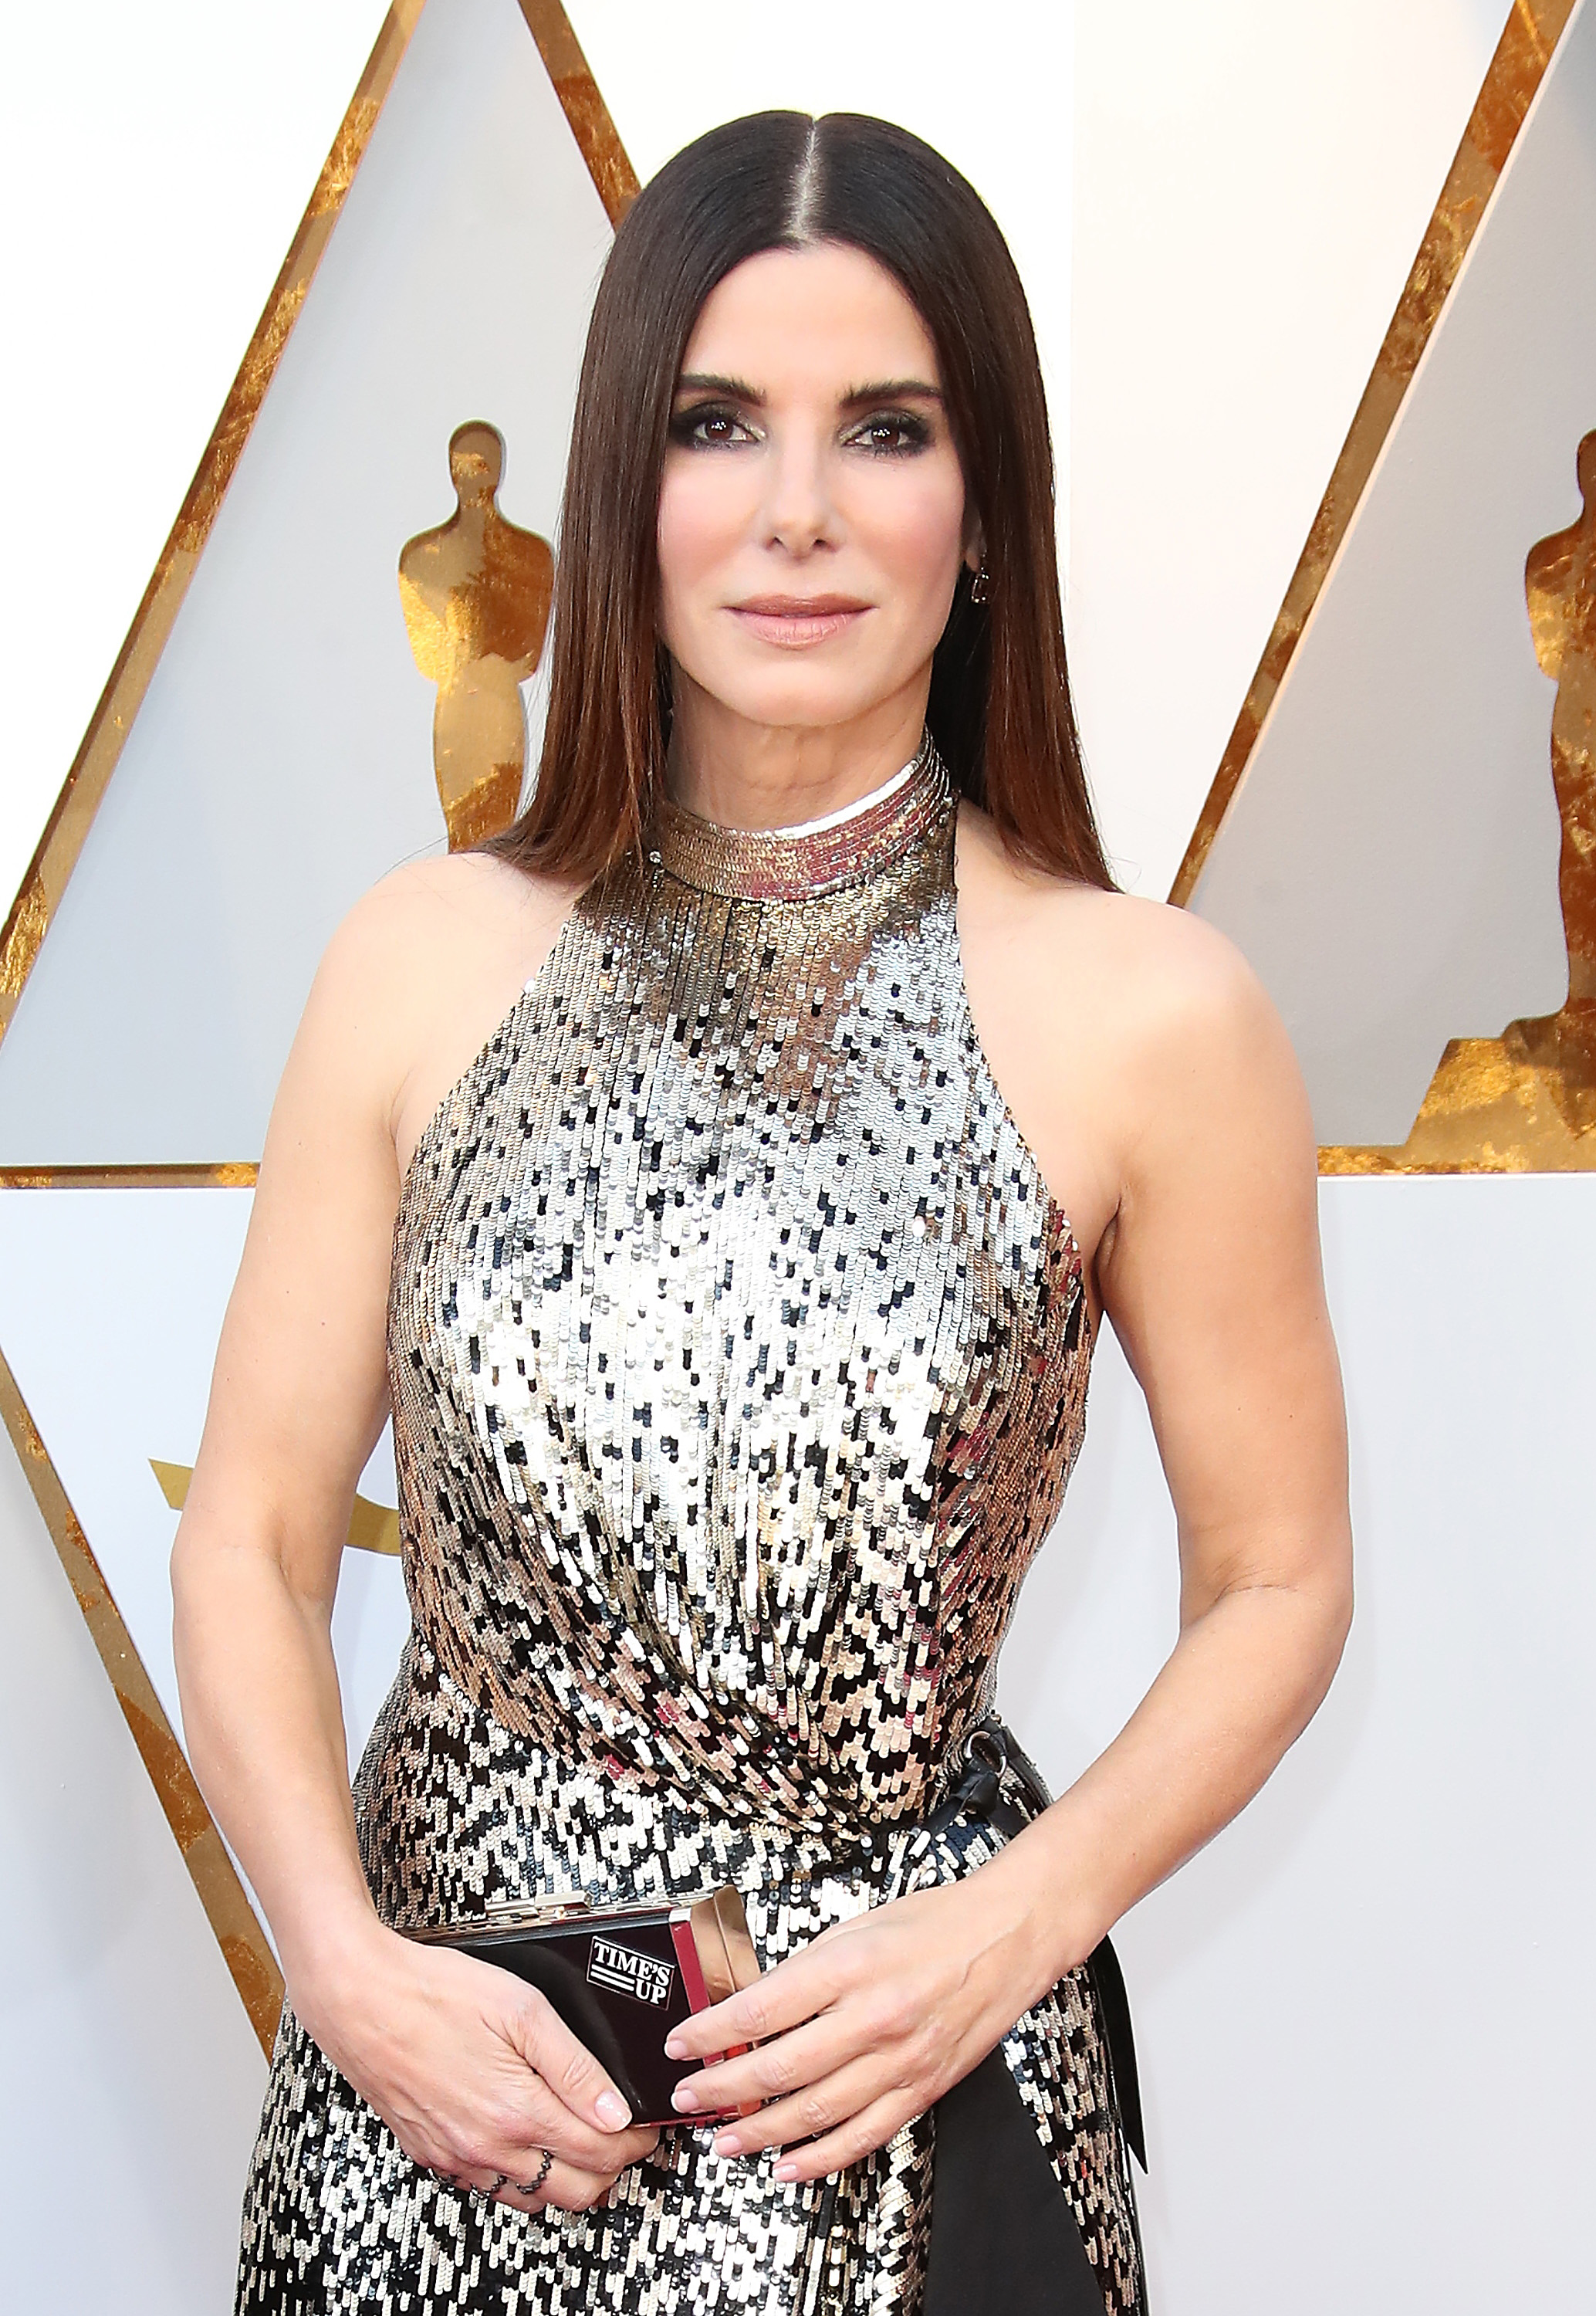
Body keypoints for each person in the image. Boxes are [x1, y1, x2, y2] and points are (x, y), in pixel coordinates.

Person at [172, 111, 1351, 2316]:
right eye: (718, 424)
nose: (796, 512)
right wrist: (343, 1974)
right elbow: (246, 1530)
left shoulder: (1150, 1012)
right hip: (443, 2103)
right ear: (625, 482)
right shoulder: (420, 959)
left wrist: (1005, 1932)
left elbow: (1277, 1579)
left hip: (899, 2114)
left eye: (882, 429)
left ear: (983, 505)